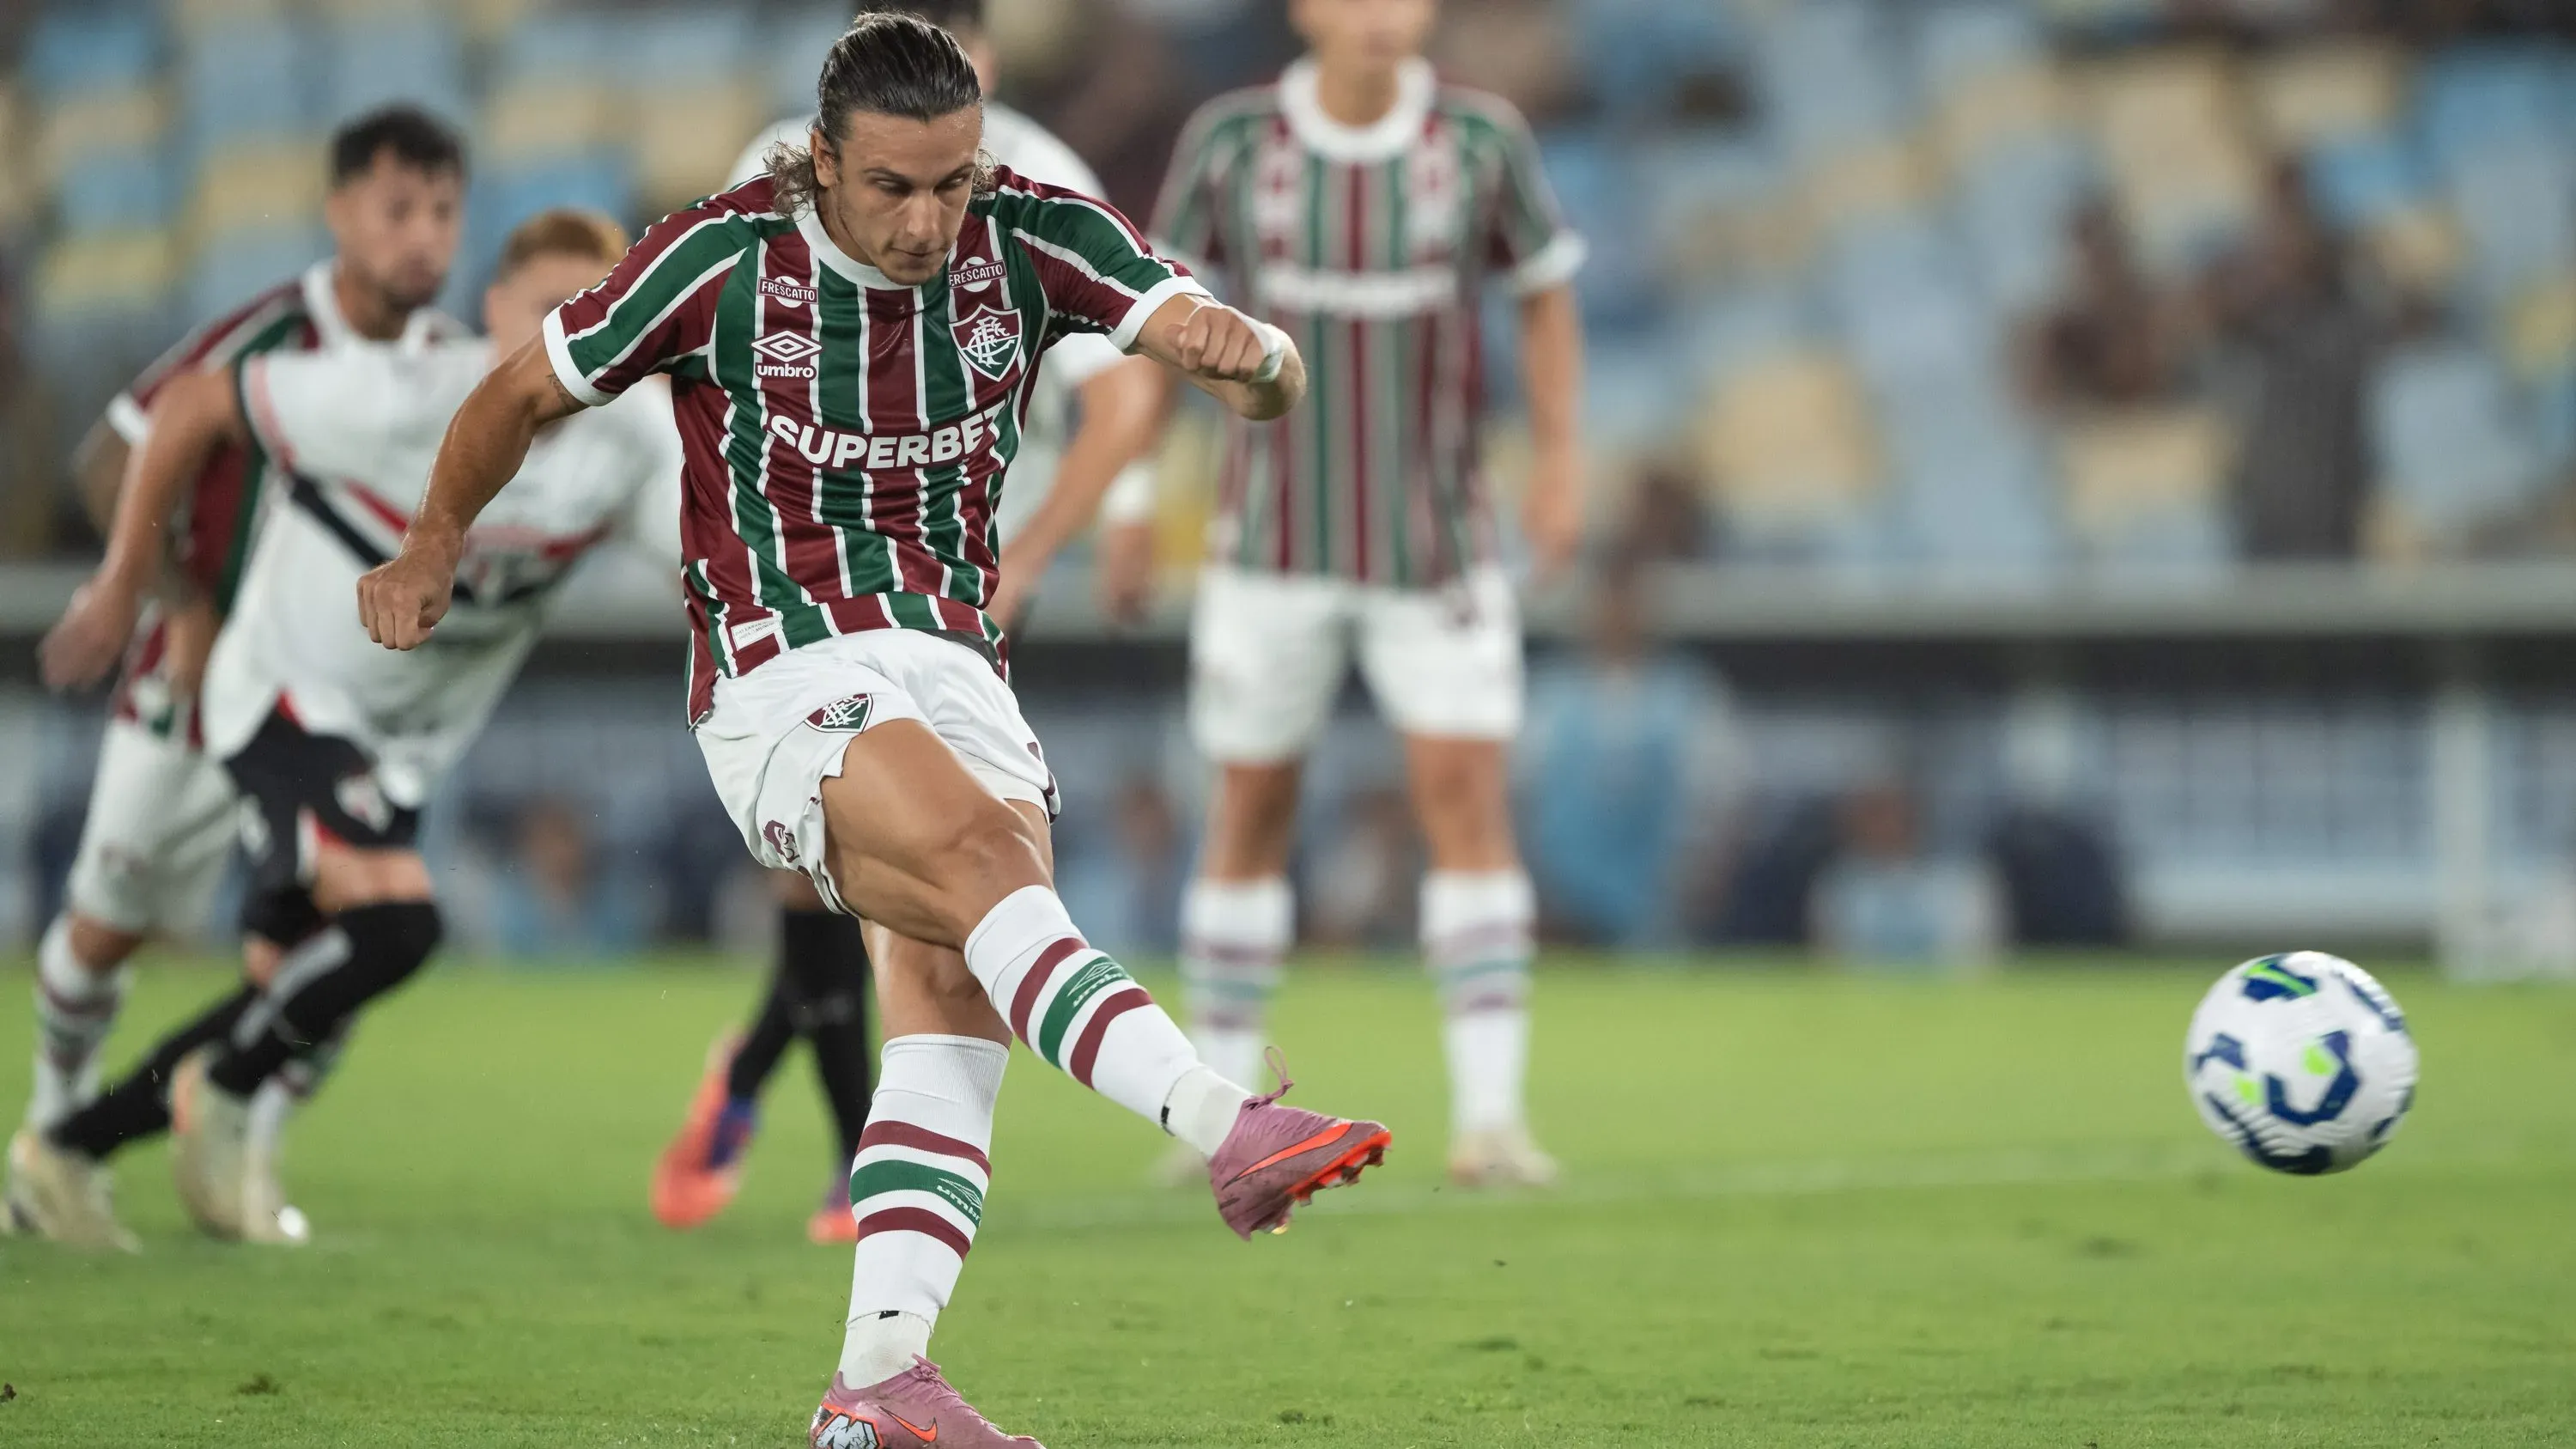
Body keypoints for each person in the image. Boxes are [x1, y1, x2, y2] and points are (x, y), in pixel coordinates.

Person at [355, 18, 1388, 1445]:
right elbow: (522, 388)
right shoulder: (720, 257)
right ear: (824, 160)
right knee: (981, 868)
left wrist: (1255, 359)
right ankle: (1228, 1126)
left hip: (958, 659)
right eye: (893, 186)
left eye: (950, 184)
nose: (926, 219)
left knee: (956, 994)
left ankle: (879, 1381)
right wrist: (431, 544)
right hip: (780, 663)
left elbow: (1235, 356)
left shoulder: (1027, 233)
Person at [15, 209, 679, 1249]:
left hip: (397, 749)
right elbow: (195, 402)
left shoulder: (629, 444)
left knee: (297, 990)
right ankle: (211, 1100)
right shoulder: (405, 395)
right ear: (494, 311)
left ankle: (76, 1148)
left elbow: (715, 561)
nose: (570, 332)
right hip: (284, 696)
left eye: (593, 311)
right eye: (547, 309)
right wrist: (137, 584)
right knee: (394, 926)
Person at [653, 0, 1173, 1250]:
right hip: (799, 588)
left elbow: (1123, 381)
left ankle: (787, 1101)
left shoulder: (1038, 179)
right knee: (838, 875)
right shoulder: (777, 168)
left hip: (954, 574)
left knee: (928, 879)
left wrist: (1064, 541)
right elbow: (713, 369)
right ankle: (852, 1149)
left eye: (968, 42)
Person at [1128, 0, 1588, 1187]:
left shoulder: (1481, 145)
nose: (1384, 15)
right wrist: (1133, 495)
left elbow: (1544, 297)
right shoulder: (1232, 145)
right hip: (1267, 542)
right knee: (1251, 806)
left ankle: (1490, 1119)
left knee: (1466, 798)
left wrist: (1562, 463)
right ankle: (1217, 1118)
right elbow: (1152, 318)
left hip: (1435, 541)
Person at [7, 106, 469, 1249]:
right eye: (398, 209)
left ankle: (239, 1164)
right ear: (340, 212)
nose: (423, 237)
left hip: (332, 703)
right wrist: (163, 594)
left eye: (445, 212)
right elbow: (114, 455)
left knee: (347, 926)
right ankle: (53, 1135)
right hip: (196, 682)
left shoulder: (454, 366)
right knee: (106, 928)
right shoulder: (267, 336)